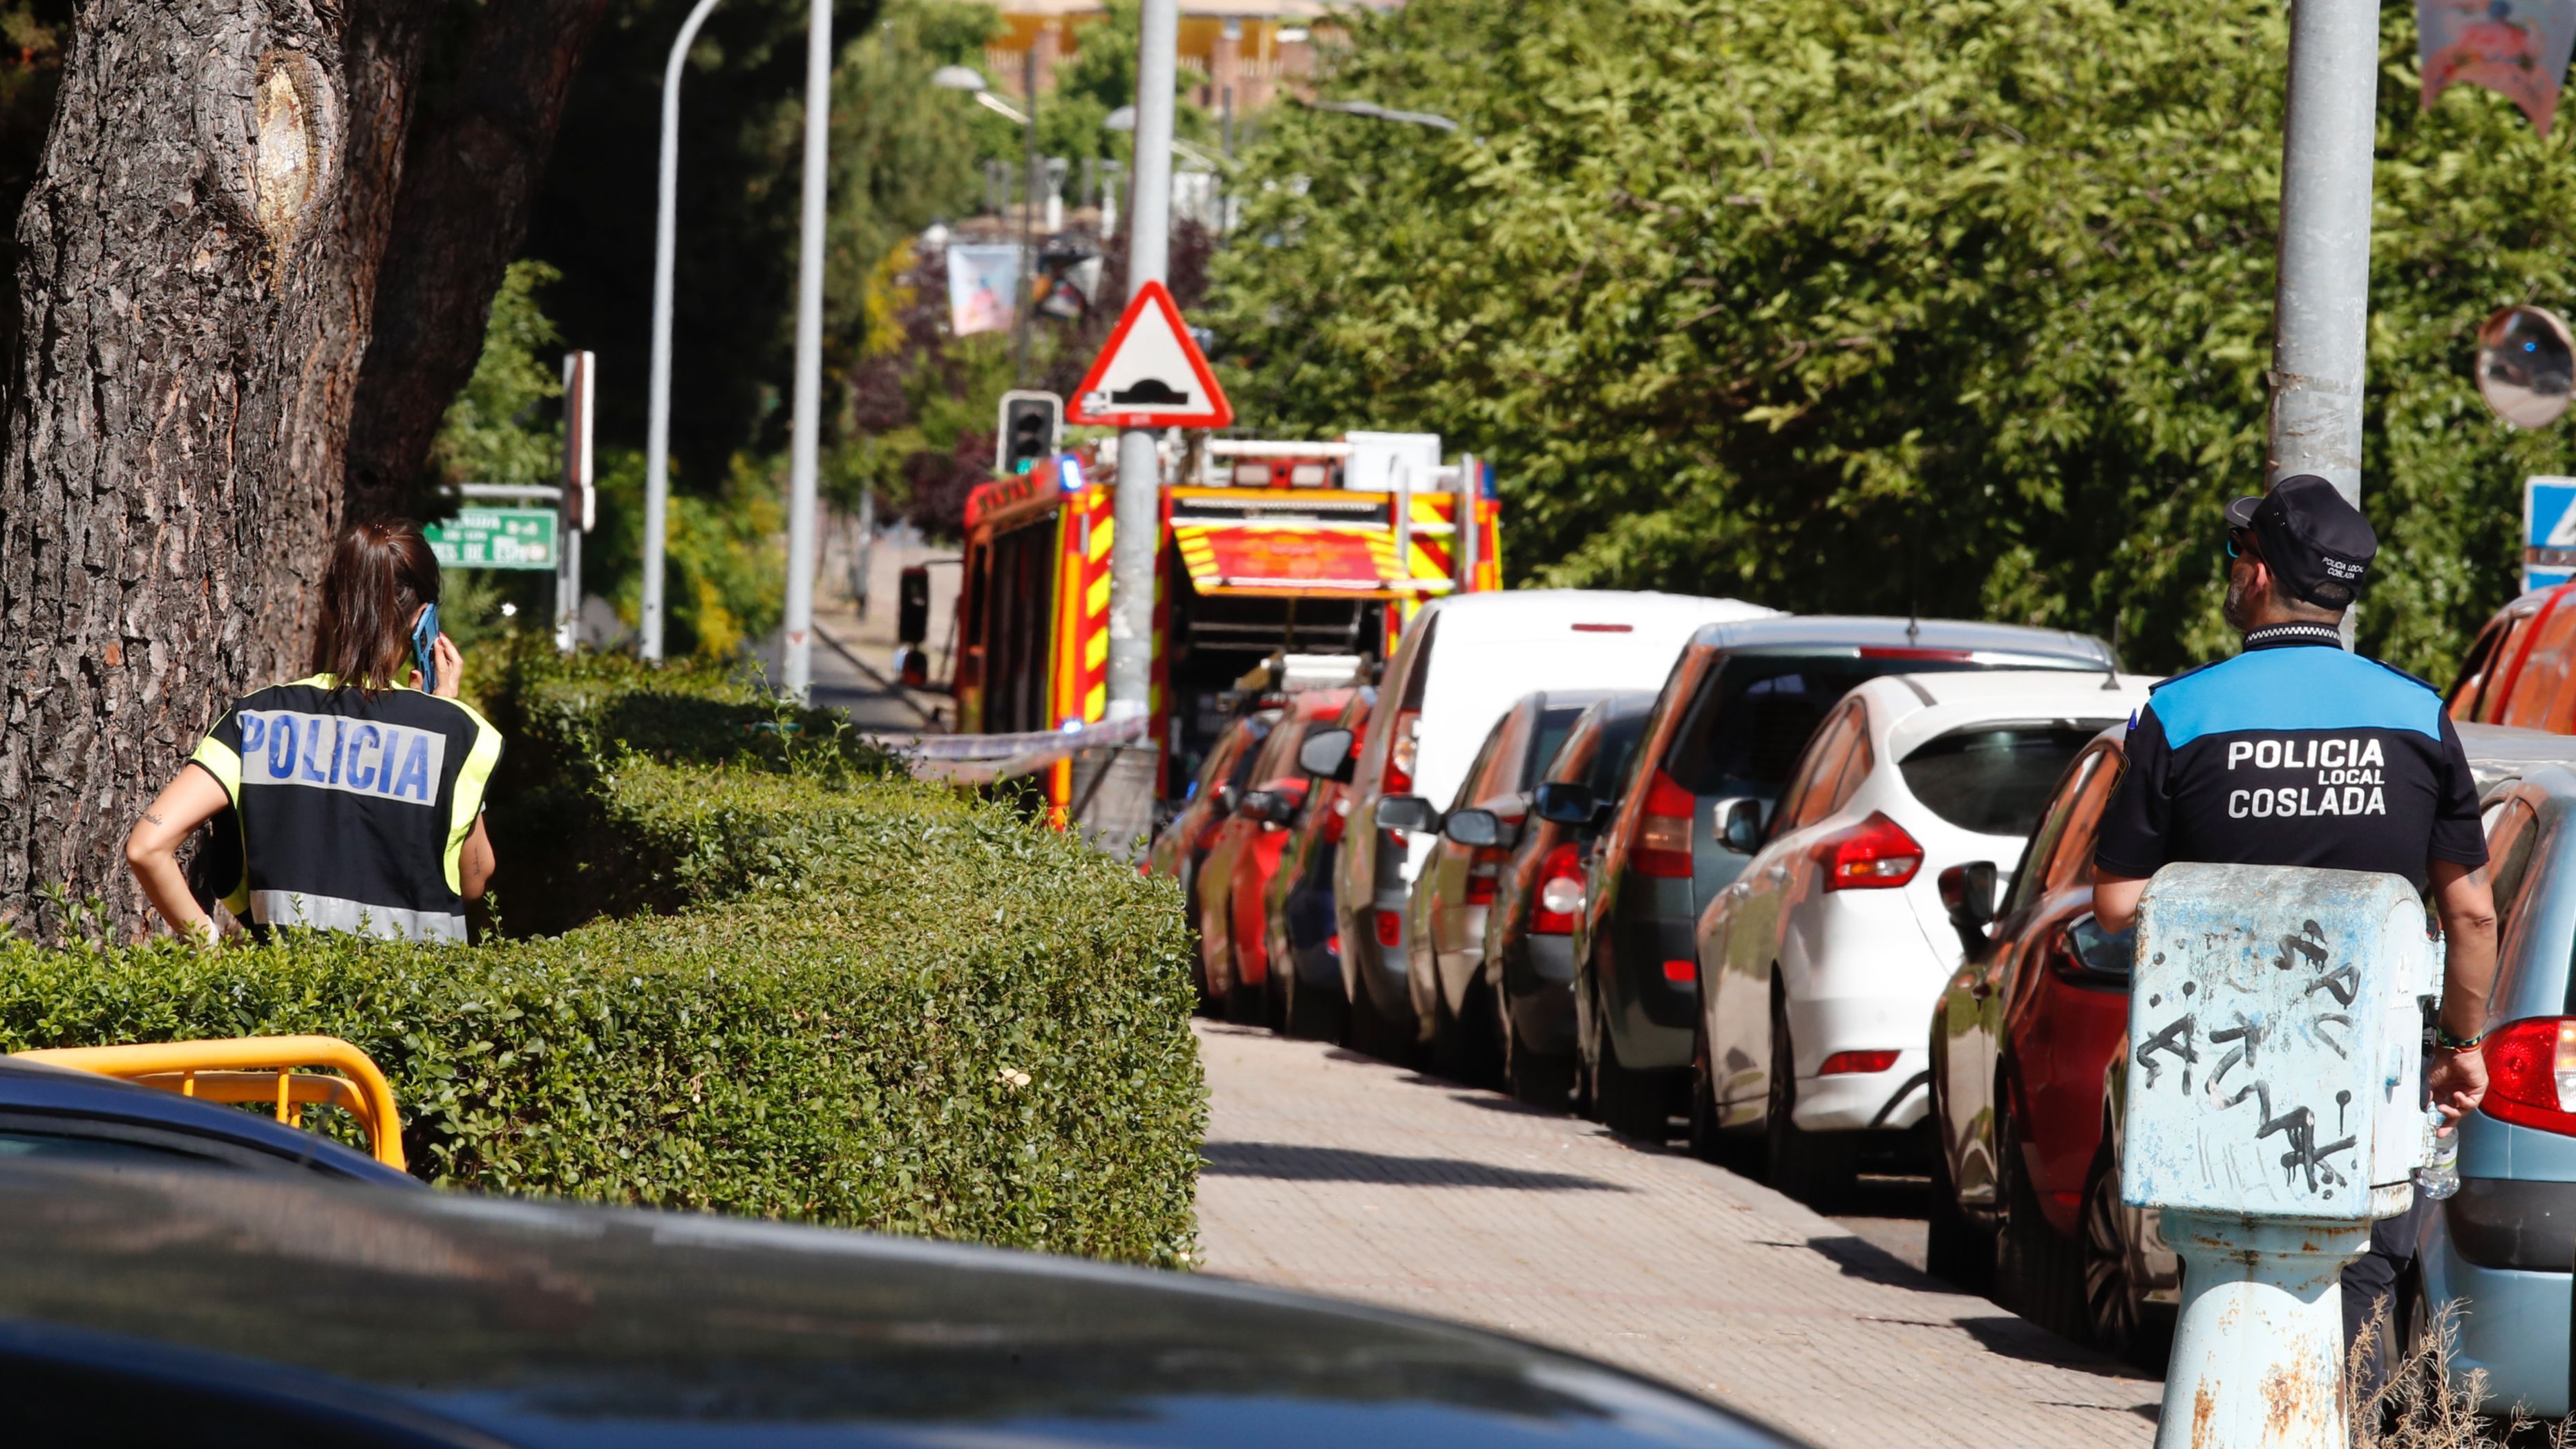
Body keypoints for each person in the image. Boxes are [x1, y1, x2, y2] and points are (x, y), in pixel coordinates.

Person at [2089, 474, 2497, 1390]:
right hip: (2370, 1087)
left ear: (2260, 573)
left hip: (2222, 1086)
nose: (2230, 570)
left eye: (2235, 553)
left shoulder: (2178, 712)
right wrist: (2461, 1045)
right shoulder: (2416, 714)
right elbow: (2471, 911)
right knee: (2355, 1309)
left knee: (2226, 1299)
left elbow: (2115, 904)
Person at [124, 520, 502, 944]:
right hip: (412, 987)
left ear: (330, 604)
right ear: (423, 620)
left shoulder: (256, 717)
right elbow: (473, 881)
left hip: (285, 982)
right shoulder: (459, 733)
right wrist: (443, 718)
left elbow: (147, 847)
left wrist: (208, 947)